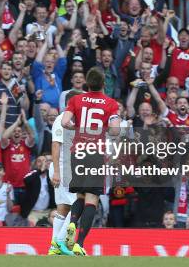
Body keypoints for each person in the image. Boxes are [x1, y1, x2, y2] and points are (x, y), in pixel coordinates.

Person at [61, 67, 121, 256]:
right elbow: (115, 130)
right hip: (96, 153)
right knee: (92, 200)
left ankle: (72, 223)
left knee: (79, 196)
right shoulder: (110, 104)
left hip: (78, 151)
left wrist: (77, 128)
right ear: (104, 84)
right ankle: (79, 243)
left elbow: (64, 122)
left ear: (87, 83)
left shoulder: (75, 99)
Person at [47, 90, 81, 255]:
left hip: (67, 169)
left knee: (63, 208)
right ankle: (61, 242)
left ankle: (54, 247)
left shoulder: (74, 121)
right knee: (77, 204)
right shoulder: (61, 120)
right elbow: (55, 145)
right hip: (61, 169)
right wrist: (57, 172)